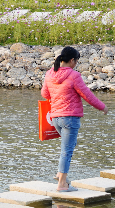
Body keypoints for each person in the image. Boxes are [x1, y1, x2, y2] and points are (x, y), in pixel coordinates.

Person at [40, 46, 107, 192]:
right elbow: (87, 95)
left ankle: (60, 174)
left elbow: (45, 94)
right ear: (71, 60)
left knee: (68, 147)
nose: (76, 63)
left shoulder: (50, 73)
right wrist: (102, 107)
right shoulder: (73, 75)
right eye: (76, 61)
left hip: (56, 118)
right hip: (70, 118)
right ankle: (62, 184)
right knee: (67, 150)